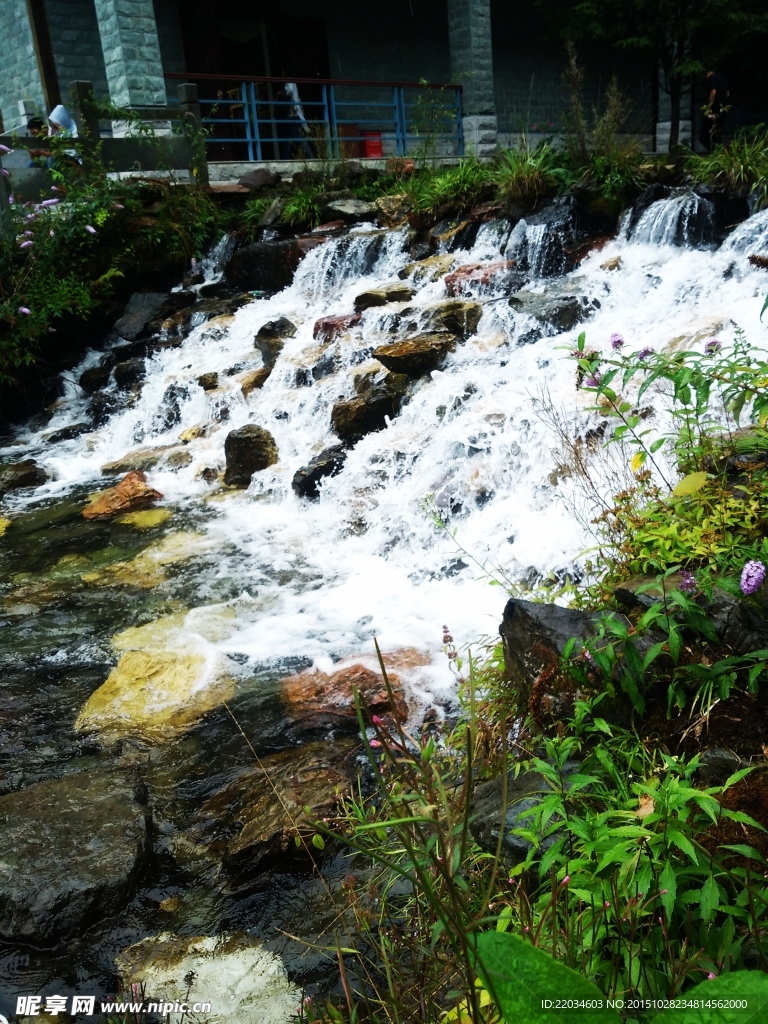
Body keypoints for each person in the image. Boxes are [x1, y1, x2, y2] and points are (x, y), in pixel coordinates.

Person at [276, 73, 313, 160]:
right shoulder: (287, 82)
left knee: (296, 136)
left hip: (293, 113)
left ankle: (309, 155)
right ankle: (285, 159)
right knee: (286, 137)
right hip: (289, 114)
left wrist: (278, 93)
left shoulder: (289, 80)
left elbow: (288, 91)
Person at [701, 69, 730, 151]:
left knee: (703, 136)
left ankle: (715, 151)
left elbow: (713, 92)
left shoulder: (712, 79)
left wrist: (708, 108)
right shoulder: (723, 79)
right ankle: (719, 152)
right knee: (717, 132)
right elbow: (727, 94)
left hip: (713, 112)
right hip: (722, 111)